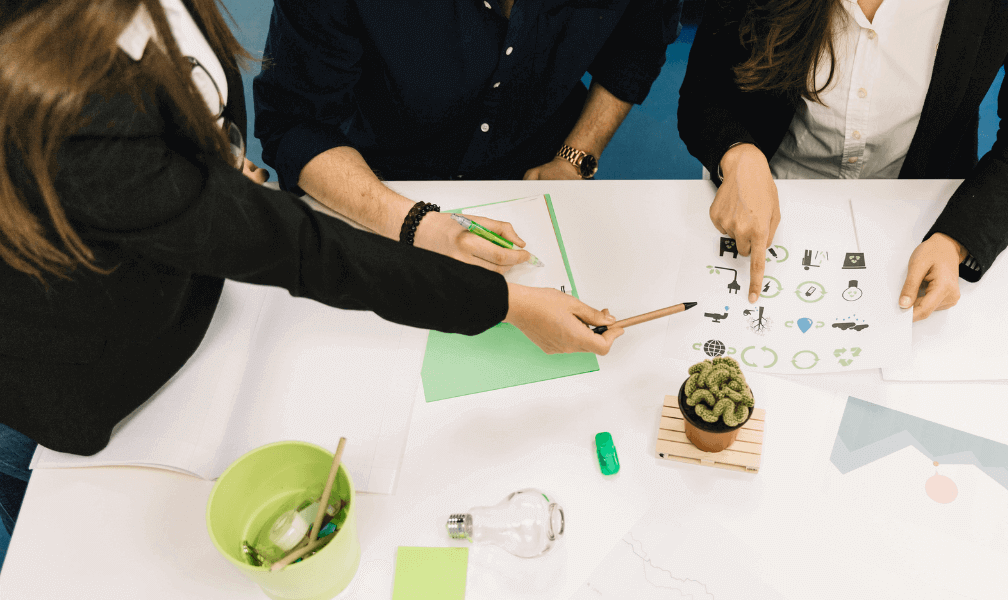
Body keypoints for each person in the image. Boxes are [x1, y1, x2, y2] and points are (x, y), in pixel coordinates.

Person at [0, 0, 624, 565]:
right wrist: (505, 303)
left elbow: (189, 114)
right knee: (74, 544)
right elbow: (305, 251)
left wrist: (206, 163)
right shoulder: (71, 100)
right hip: (83, 367)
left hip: (185, 295)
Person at [677, 0, 1008, 319]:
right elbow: (703, 93)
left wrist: (959, 240)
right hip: (766, 194)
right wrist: (737, 154)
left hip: (920, 209)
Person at [252, 0, 682, 273]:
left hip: (537, 169)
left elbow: (639, 39)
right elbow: (296, 121)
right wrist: (416, 223)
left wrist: (574, 156)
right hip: (377, 183)